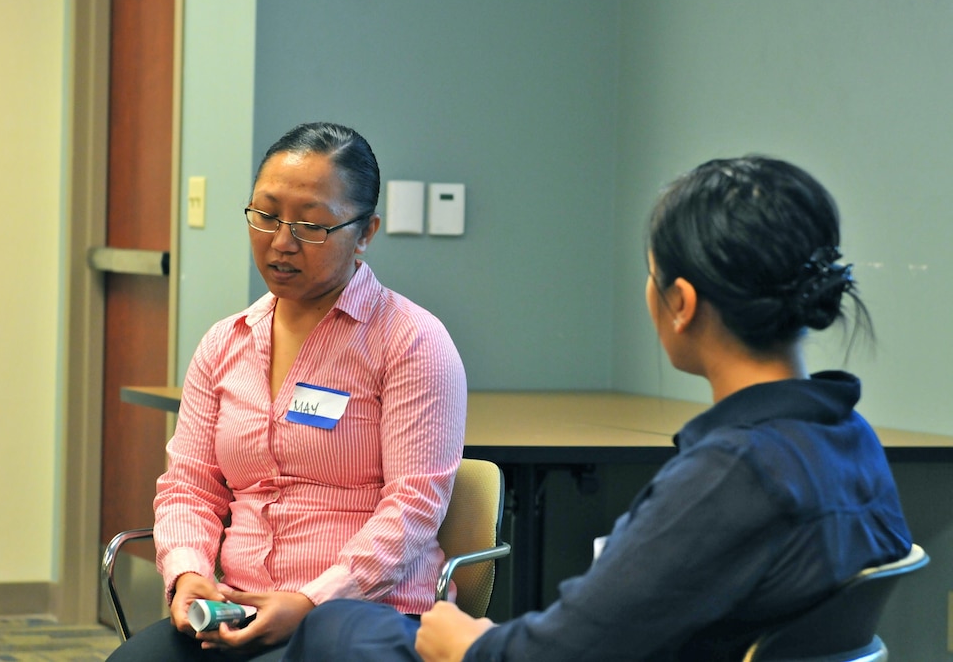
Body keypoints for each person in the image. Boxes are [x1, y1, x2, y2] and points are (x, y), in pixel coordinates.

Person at [281, 155, 913, 661]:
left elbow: (562, 650)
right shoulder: (848, 439)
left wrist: (467, 648)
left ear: (682, 303)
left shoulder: (732, 474)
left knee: (337, 629)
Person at [106, 122, 467, 662]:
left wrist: (310, 600)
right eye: (267, 216)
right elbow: (190, 486)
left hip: (365, 614)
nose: (281, 243)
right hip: (237, 607)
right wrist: (188, 574)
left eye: (311, 226)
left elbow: (412, 507)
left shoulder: (411, 342)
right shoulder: (225, 342)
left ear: (365, 231)